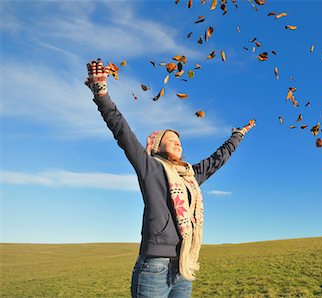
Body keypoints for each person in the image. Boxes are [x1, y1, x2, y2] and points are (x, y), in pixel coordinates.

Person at [85, 58, 255, 298]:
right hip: (154, 267)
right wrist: (101, 94)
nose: (178, 144)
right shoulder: (150, 168)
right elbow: (121, 130)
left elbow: (218, 159)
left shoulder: (189, 176)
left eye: (180, 141)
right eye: (172, 139)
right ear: (156, 145)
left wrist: (237, 136)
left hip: (183, 267)